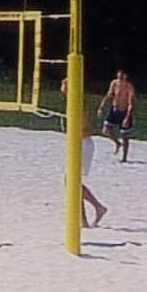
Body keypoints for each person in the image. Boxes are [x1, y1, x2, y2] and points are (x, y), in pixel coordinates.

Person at [62, 77, 107, 226]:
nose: (62, 87)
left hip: (82, 144)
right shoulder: (72, 102)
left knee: (72, 182)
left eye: (65, 84)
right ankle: (85, 219)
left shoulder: (78, 103)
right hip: (78, 144)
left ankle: (97, 209)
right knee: (72, 182)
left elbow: (83, 127)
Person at [96, 69, 137, 162]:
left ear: (126, 76)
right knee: (105, 130)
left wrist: (127, 117)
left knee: (125, 136)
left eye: (122, 76)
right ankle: (117, 143)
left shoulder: (129, 87)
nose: (120, 77)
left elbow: (131, 104)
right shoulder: (114, 83)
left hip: (124, 111)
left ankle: (124, 158)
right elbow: (109, 95)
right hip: (114, 110)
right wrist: (101, 107)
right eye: (119, 75)